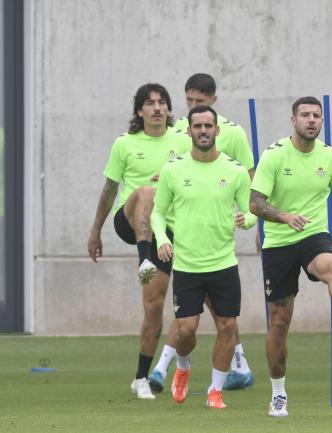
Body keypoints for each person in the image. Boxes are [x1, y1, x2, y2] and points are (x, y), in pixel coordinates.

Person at [249, 96, 332, 417]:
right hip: (278, 244)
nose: (311, 120)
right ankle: (278, 394)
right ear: (293, 120)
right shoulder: (274, 155)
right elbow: (255, 202)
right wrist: (284, 216)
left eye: (317, 116)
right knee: (280, 323)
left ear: (322, 121)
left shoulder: (330, 158)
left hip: (314, 235)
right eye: (305, 115)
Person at [149, 73, 255, 392]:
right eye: (189, 101)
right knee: (188, 325)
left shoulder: (234, 135)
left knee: (224, 321)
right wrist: (164, 236)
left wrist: (251, 220)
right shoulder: (180, 132)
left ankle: (220, 379)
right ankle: (179, 366)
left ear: (214, 103)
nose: (194, 109)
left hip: (221, 245)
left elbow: (250, 182)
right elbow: (174, 174)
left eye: (200, 102)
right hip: (186, 242)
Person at [87, 83, 190, 399]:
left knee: (157, 305)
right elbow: (108, 190)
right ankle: (145, 257)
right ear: (140, 111)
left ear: (170, 110)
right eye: (150, 103)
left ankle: (143, 376)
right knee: (146, 191)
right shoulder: (125, 144)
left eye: (162, 102)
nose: (157, 108)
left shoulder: (184, 142)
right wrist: (95, 231)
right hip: (130, 220)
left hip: (172, 229)